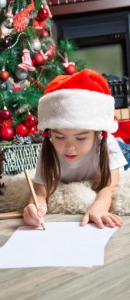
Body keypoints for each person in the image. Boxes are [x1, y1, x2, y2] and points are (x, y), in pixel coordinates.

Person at [23, 69, 128, 229]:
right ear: (50, 133)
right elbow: (39, 193)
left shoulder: (105, 142)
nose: (70, 147)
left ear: (97, 133)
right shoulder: (49, 148)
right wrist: (34, 208)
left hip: (121, 149)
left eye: (81, 138)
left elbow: (111, 186)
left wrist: (99, 205)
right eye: (59, 137)